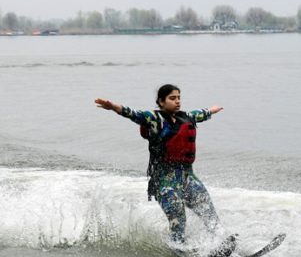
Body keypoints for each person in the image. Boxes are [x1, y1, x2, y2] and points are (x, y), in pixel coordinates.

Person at [95, 84, 224, 244]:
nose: (177, 101)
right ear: (161, 102)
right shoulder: (154, 118)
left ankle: (223, 243)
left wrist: (212, 110)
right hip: (165, 180)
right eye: (172, 98)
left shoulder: (187, 117)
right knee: (178, 216)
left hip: (187, 176)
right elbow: (133, 114)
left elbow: (202, 113)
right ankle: (179, 246)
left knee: (208, 212)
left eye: (179, 97)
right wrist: (114, 107)